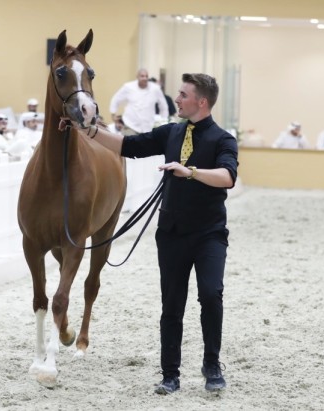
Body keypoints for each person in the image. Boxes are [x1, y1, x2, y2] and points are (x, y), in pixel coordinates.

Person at [72, 73, 237, 394]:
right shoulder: (171, 132)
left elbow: (227, 176)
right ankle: (170, 374)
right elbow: (128, 146)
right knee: (171, 304)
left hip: (209, 234)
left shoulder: (223, 139)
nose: (177, 99)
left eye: (183, 94)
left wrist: (189, 172)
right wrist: (87, 129)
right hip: (172, 233)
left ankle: (212, 365)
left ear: (201, 102)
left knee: (211, 295)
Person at [109, 68, 169, 135]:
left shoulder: (155, 89)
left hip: (148, 127)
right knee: (129, 141)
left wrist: (164, 121)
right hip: (130, 125)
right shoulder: (128, 87)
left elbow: (163, 106)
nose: (144, 78)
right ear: (137, 77)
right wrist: (113, 113)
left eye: (146, 76)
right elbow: (116, 99)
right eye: (142, 76)